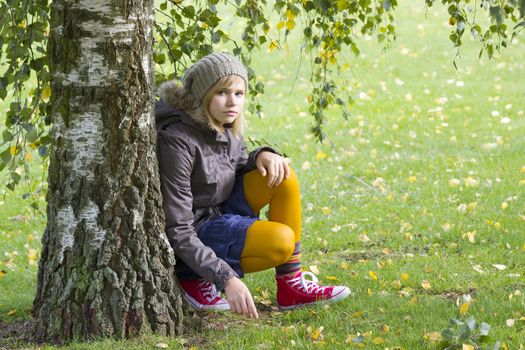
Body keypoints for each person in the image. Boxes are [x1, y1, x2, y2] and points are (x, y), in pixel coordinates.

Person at [156, 52, 350, 318]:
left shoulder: (225, 126)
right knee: (281, 241)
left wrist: (262, 155)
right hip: (195, 233)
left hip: (220, 210)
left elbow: (233, 169)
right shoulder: (177, 140)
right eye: (222, 92)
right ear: (203, 95)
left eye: (239, 93)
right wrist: (226, 278)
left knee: (284, 173)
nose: (232, 102)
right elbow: (178, 229)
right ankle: (193, 277)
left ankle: (291, 287)